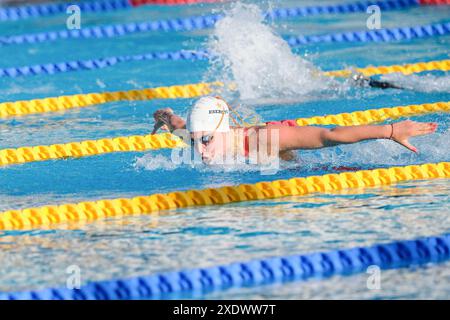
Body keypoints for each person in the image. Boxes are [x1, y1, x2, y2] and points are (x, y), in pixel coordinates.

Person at [151, 96, 437, 164]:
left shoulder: (264, 141)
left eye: (206, 141)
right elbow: (177, 123)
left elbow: (330, 135)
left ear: (220, 130)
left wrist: (390, 130)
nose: (200, 152)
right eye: (195, 142)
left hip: (283, 152)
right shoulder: (196, 135)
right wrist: (165, 116)